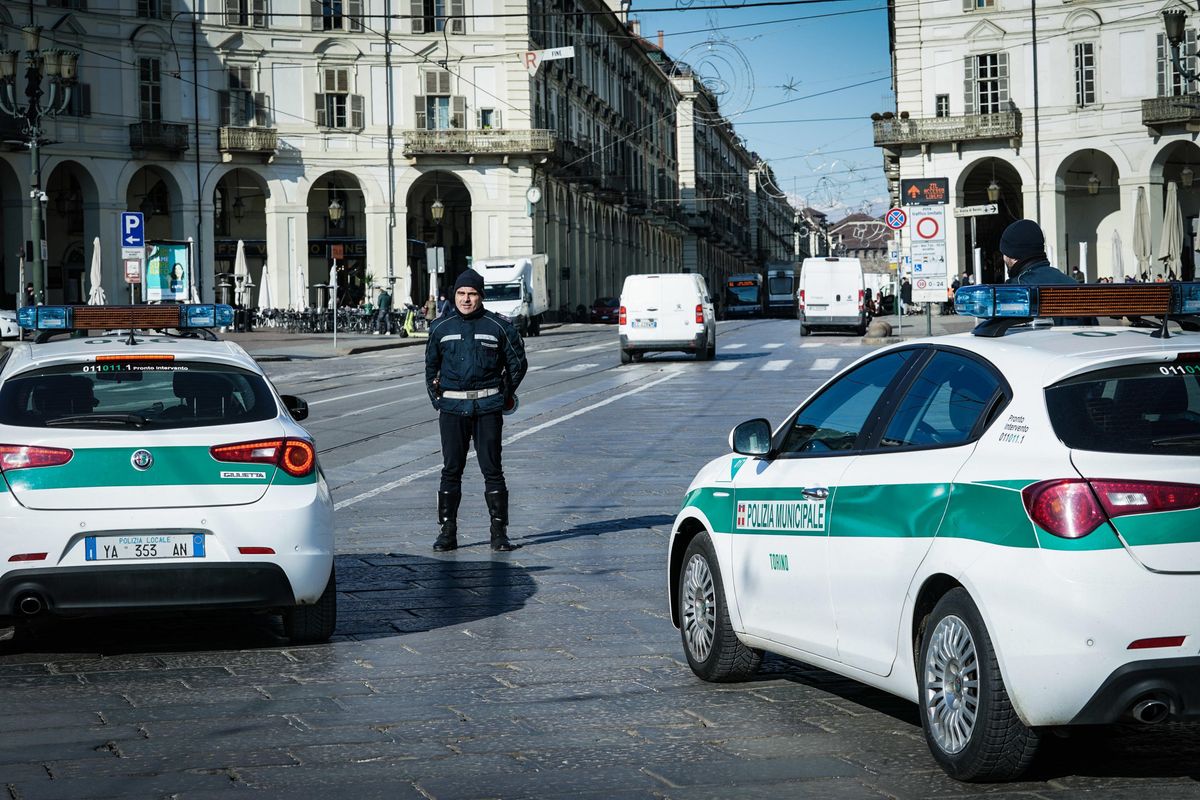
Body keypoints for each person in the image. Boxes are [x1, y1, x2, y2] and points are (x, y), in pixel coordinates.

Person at [425, 268, 528, 552]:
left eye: (472, 294)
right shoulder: (440, 328)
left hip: (487, 408)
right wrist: (438, 400)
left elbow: (518, 363)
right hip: (452, 409)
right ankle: (447, 532)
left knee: (492, 470)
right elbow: (430, 367)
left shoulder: (498, 327)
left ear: (481, 296)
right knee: (451, 470)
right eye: (461, 293)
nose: (466, 299)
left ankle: (499, 533)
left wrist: (503, 395)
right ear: (454, 295)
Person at [1000, 218, 1095, 325]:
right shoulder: (1075, 286)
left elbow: (996, 331)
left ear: (1013, 256)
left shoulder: (1016, 290)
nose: (1003, 258)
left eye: (1004, 253)